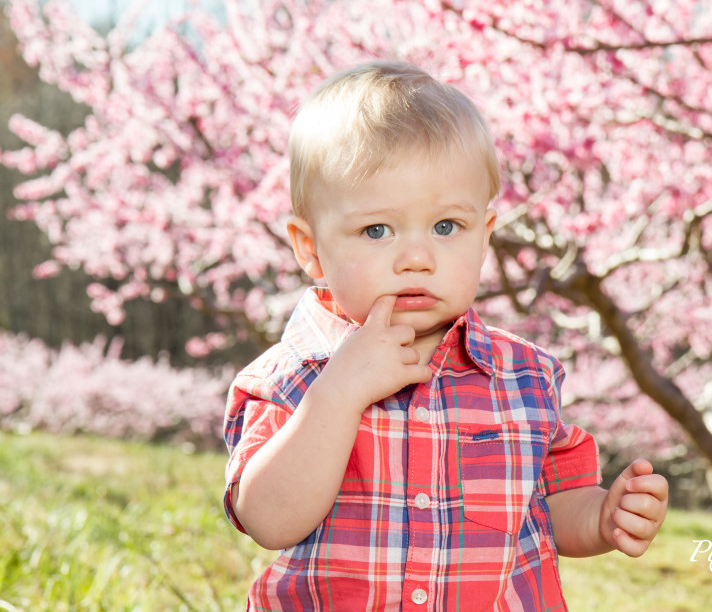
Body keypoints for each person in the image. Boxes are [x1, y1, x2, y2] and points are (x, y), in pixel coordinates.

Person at [223, 60, 669, 610]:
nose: (417, 258)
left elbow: (549, 506)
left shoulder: (522, 377)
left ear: (483, 237)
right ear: (309, 247)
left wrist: (601, 518)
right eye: (377, 230)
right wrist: (338, 392)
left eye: (445, 227)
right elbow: (268, 518)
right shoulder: (291, 376)